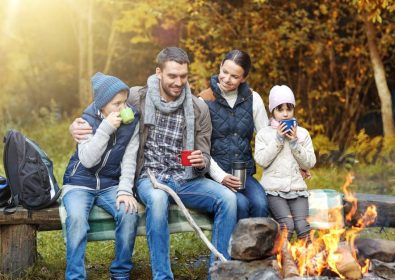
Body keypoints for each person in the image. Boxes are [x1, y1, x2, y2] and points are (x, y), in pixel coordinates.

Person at [70, 47, 237, 280]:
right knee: (158, 200)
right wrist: (77, 124)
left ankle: (218, 273)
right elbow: (104, 102)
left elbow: (205, 154)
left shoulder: (198, 108)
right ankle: (162, 276)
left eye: (183, 76)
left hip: (185, 178)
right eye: (172, 76)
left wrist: (201, 161)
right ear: (159, 72)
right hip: (149, 177)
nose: (178, 82)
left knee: (228, 199)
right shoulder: (139, 96)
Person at [62, 72, 140, 280]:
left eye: (124, 102)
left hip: (110, 183)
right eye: (116, 104)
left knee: (129, 212)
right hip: (79, 182)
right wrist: (105, 129)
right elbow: (87, 160)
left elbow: (130, 159)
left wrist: (125, 190)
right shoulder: (86, 121)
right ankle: (75, 276)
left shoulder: (132, 122)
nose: (123, 108)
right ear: (103, 105)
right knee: (77, 218)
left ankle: (121, 273)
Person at [198, 50, 269, 220]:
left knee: (261, 204)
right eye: (225, 72)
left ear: (243, 78)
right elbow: (200, 147)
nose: (227, 79)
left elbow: (266, 139)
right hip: (215, 176)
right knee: (241, 204)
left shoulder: (253, 98)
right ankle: (237, 246)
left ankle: (257, 246)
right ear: (220, 67)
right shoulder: (203, 100)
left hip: (244, 175)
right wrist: (221, 177)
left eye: (235, 76)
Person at [254, 85, 316, 241]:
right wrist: (278, 139)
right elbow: (262, 161)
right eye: (280, 109)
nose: (285, 114)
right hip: (273, 190)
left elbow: (309, 163)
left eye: (289, 109)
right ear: (272, 111)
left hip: (297, 189)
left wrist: (295, 142)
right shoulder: (264, 134)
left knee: (303, 226)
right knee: (287, 224)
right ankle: (282, 261)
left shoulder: (302, 133)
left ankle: (309, 263)